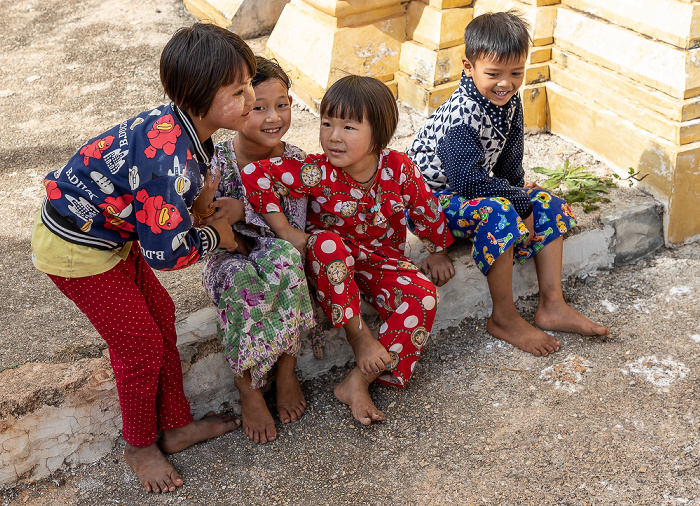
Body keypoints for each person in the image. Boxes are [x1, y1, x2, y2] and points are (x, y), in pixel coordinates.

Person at [30, 23, 255, 493]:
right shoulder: (169, 161)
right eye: (238, 90)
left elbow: (166, 216)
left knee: (162, 314)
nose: (251, 97)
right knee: (138, 347)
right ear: (197, 96)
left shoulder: (189, 129)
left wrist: (196, 208)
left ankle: (175, 427)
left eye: (249, 83)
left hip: (111, 232)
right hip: (78, 247)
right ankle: (139, 445)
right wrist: (218, 236)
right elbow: (167, 255)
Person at [242, 75, 455, 425]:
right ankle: (359, 337)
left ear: (380, 133)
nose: (333, 136)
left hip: (381, 263)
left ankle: (358, 381)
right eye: (327, 123)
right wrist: (285, 230)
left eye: (349, 127)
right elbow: (254, 175)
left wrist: (437, 249)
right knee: (326, 243)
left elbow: (425, 209)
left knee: (424, 295)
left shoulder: (399, 168)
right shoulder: (317, 172)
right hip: (330, 266)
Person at [407, 11, 609, 358]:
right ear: (468, 67)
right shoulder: (462, 114)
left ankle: (552, 304)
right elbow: (467, 182)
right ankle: (504, 317)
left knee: (550, 203)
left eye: (516, 73)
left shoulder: (508, 101)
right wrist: (519, 203)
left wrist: (522, 194)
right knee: (502, 211)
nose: (506, 83)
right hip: (433, 202)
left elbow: (510, 160)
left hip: (473, 188)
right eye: (494, 74)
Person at [194, 56, 324, 444]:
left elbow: (300, 231)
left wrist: (246, 212)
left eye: (282, 104)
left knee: (283, 261)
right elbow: (202, 226)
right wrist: (219, 213)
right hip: (228, 256)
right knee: (242, 276)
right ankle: (248, 385)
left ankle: (286, 370)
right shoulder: (214, 162)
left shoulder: (296, 161)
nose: (273, 117)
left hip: (283, 257)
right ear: (237, 111)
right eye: (258, 108)